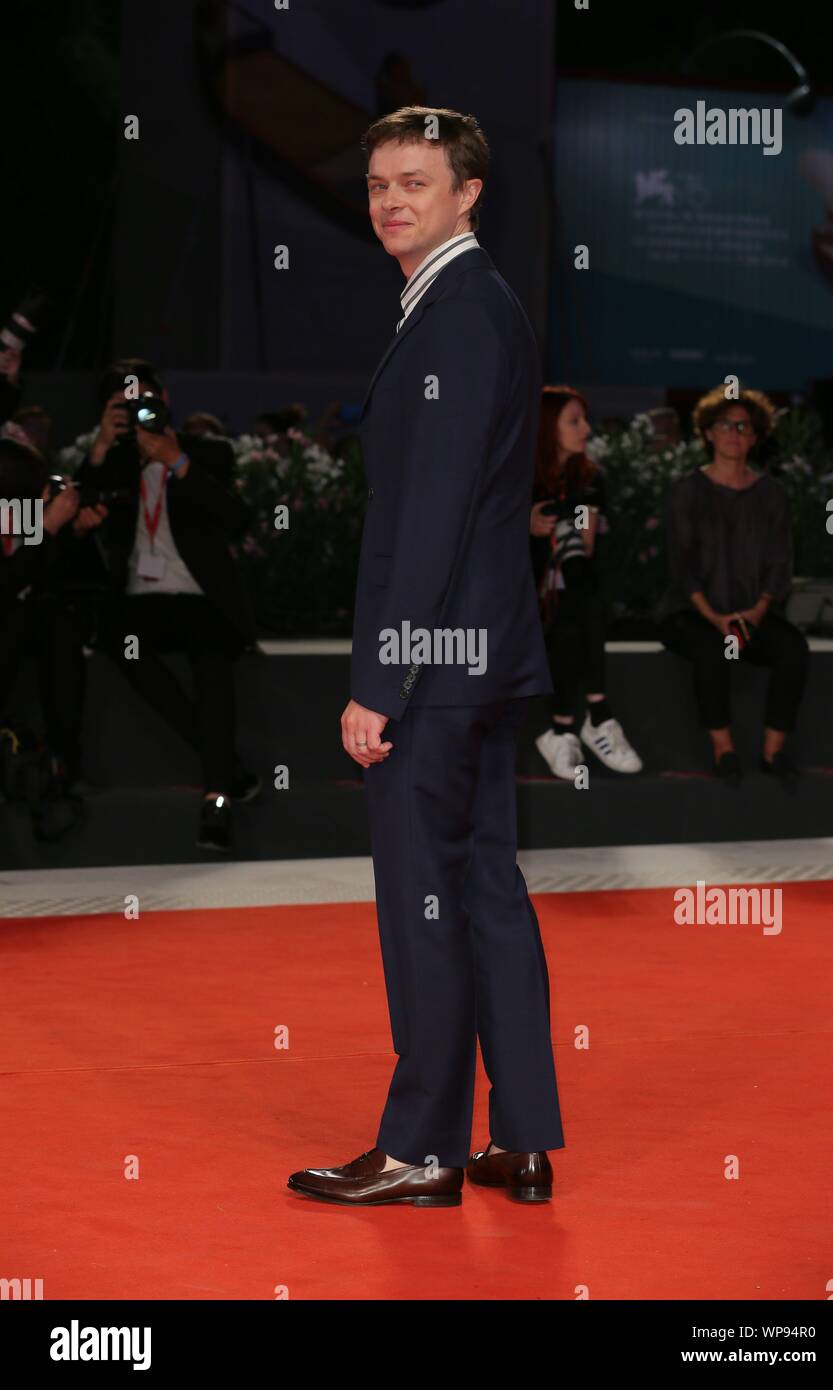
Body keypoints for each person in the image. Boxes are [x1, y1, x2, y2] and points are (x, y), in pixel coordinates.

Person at [287, 105, 564, 1208]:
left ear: (467, 192)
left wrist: (377, 683)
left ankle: (420, 1150)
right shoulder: (473, 307)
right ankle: (523, 1141)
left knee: (427, 901)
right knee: (486, 887)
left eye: (415, 181)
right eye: (377, 186)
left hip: (435, 670)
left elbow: (432, 518)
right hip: (481, 662)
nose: (391, 201)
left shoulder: (454, 316)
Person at [75, 358, 259, 850]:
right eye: (123, 406)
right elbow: (76, 508)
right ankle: (227, 767)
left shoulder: (206, 452)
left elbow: (238, 518)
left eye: (144, 400)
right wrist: (99, 445)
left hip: (199, 598)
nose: (137, 412)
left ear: (165, 401)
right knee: (120, 640)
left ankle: (216, 801)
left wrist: (176, 462)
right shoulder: (110, 460)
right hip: (139, 603)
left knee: (212, 652)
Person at [656, 386, 809, 786]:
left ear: (755, 437)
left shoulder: (771, 494)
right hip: (692, 611)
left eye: (743, 426)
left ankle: (773, 753)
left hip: (750, 612)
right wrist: (718, 619)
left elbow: (780, 564)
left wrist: (754, 614)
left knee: (793, 648)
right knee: (710, 649)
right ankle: (724, 750)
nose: (734, 433)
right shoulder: (687, 491)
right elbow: (682, 567)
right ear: (708, 432)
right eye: (725, 425)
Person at [530, 385, 642, 778]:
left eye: (585, 420)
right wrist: (527, 525)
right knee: (579, 609)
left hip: (569, 591)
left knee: (577, 612)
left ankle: (566, 728)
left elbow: (585, 545)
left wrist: (573, 518)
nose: (586, 429)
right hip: (520, 594)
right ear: (547, 427)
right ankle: (596, 717)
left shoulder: (589, 478)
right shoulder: (516, 476)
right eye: (574, 421)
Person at [0, 438, 107, 791]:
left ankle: (63, 758)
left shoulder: (24, 517)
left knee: (58, 620)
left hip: (24, 624)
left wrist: (72, 531)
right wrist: (46, 528)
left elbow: (47, 572)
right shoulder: (22, 517)